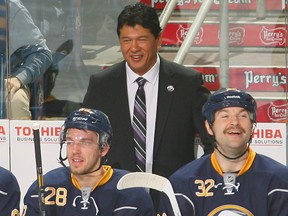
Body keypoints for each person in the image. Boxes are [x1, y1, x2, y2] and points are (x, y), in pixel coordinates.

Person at [83, 2, 212, 180]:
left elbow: (213, 140)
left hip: (173, 197)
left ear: (158, 40)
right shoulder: (101, 86)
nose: (134, 48)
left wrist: (196, 182)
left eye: (142, 39)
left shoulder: (187, 84)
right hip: (116, 198)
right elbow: (85, 141)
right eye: (126, 40)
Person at [158, 88, 288, 215]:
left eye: (242, 116)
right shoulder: (182, 183)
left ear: (252, 126)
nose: (235, 122)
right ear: (209, 127)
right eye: (225, 116)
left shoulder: (280, 180)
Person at [22, 108, 155, 215]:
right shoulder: (46, 187)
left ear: (103, 148)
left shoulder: (131, 192)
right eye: (69, 141)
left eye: (85, 142)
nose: (75, 150)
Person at [4, 0, 52, 119]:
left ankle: (20, 138)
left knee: (16, 100)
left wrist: (19, 78)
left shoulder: (10, 7)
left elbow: (42, 53)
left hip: (5, 80)